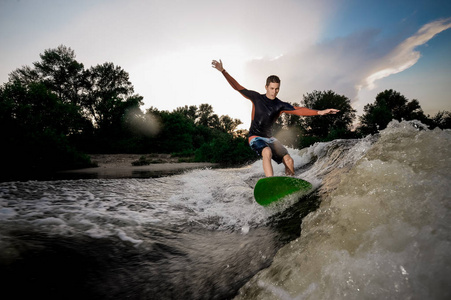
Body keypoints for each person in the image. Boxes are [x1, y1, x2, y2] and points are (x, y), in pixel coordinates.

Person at [212, 59, 340, 177]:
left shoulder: (280, 105)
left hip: (270, 138)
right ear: (266, 87)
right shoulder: (256, 98)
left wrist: (319, 112)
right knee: (266, 151)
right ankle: (270, 182)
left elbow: (299, 110)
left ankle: (290, 184)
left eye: (277, 89)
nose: (274, 92)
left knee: (289, 160)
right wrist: (223, 71)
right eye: (272, 88)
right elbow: (237, 87)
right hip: (255, 137)